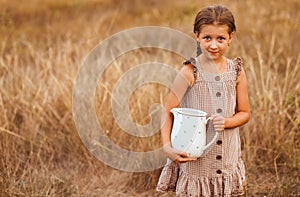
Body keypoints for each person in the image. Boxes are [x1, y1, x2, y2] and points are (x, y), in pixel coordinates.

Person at [156, 5, 251, 197]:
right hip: (196, 161)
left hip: (227, 158)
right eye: (207, 38)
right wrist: (167, 147)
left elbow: (245, 113)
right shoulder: (190, 72)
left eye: (220, 39)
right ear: (197, 36)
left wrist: (227, 122)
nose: (213, 45)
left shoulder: (237, 72)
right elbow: (168, 110)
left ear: (230, 37)